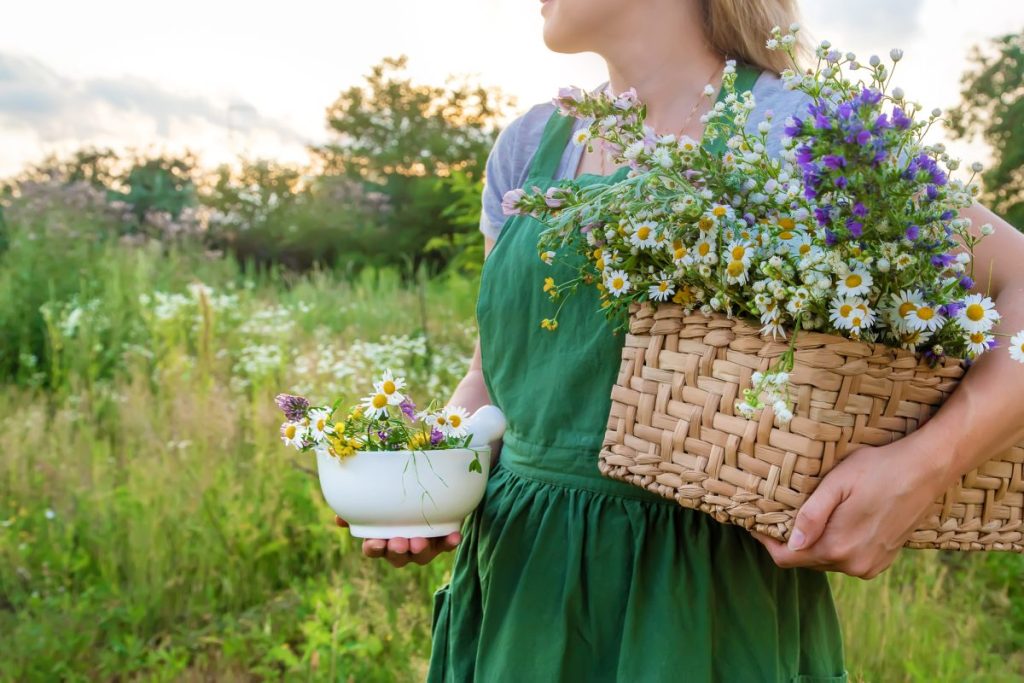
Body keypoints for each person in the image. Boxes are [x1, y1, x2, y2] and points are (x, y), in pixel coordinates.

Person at [336, 0, 1024, 680]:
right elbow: (494, 381)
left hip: (703, 611)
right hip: (521, 594)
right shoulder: (526, 146)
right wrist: (426, 478)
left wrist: (924, 465)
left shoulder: (794, 127)